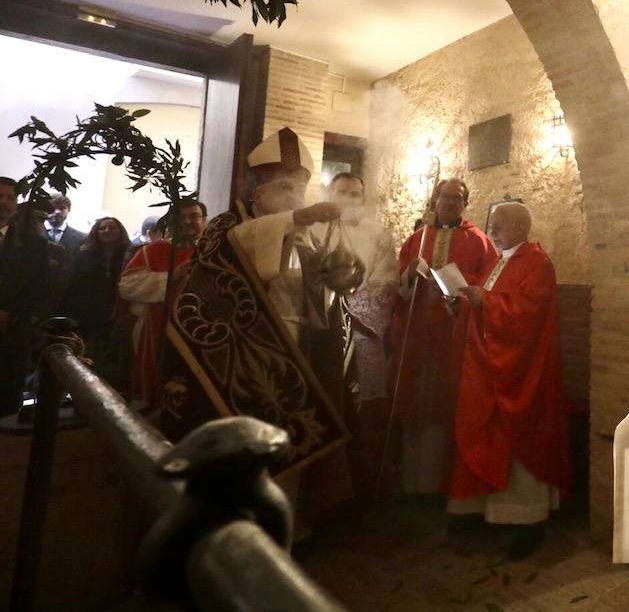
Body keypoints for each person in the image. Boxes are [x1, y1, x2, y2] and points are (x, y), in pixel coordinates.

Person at [158, 127, 354, 521]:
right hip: (246, 347)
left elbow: (321, 292)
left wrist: (342, 277)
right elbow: (238, 248)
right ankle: (239, 521)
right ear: (257, 192)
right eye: (283, 187)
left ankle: (288, 519)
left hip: (300, 344)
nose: (293, 197)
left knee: (290, 434)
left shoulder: (304, 232)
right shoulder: (228, 224)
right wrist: (296, 216)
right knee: (255, 436)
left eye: (299, 188)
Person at [451, 201, 571, 559]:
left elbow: (527, 312)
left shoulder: (538, 263)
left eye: (498, 226)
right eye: (490, 224)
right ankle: (488, 514)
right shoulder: (498, 260)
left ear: (520, 228)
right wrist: (464, 297)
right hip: (489, 368)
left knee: (519, 440)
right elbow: (490, 298)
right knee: (486, 434)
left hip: (523, 370)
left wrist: (484, 301)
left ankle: (527, 520)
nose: (491, 231)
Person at [390, 178, 497, 497]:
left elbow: (489, 283)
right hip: (417, 336)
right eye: (445, 197)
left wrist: (462, 294)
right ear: (435, 200)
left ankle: (442, 486)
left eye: (458, 198)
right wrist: (409, 274)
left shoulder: (478, 241)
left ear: (466, 203)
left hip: (455, 337)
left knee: (446, 406)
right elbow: (398, 285)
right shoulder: (417, 239)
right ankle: (412, 483)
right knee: (416, 405)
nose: (450, 203)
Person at [325, 172, 399, 504]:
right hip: (324, 336)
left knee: (366, 409)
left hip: (364, 336)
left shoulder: (378, 234)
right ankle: (327, 490)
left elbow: (386, 286)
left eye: (354, 194)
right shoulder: (314, 228)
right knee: (328, 404)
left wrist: (346, 304)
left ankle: (365, 486)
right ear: (330, 193)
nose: (348, 199)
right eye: (341, 192)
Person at [118, 200, 207, 407]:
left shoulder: (215, 249)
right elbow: (127, 286)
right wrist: (170, 277)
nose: (187, 222)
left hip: (204, 330)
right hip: (159, 330)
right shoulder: (154, 250)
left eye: (193, 216)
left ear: (204, 220)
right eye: (181, 217)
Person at [0, 179, 66, 415]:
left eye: (10, 198)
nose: (4, 202)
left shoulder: (34, 244)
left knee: (6, 395)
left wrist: (14, 314)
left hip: (12, 330)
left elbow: (40, 288)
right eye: (0, 196)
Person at [59, 217, 130, 390]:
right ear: (95, 233)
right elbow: (73, 285)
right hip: (87, 314)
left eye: (112, 227)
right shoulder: (83, 254)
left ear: (120, 231)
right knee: (87, 356)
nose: (107, 231)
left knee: (112, 357)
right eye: (102, 228)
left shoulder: (129, 255)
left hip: (116, 313)